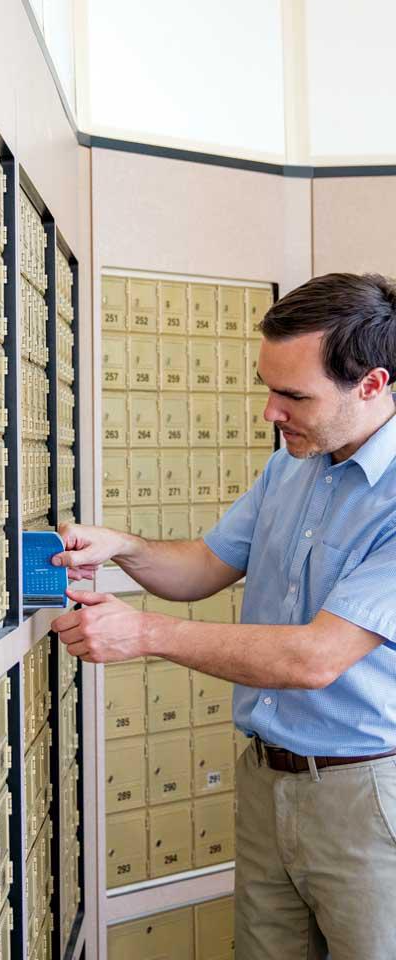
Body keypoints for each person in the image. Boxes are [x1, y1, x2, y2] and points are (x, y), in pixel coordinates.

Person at [51, 272, 396, 960]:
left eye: (292, 395)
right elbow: (203, 567)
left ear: (373, 385)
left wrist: (142, 634)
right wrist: (122, 548)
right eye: (267, 386)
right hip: (268, 780)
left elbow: (316, 657)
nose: (270, 412)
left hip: (368, 795)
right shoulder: (292, 468)